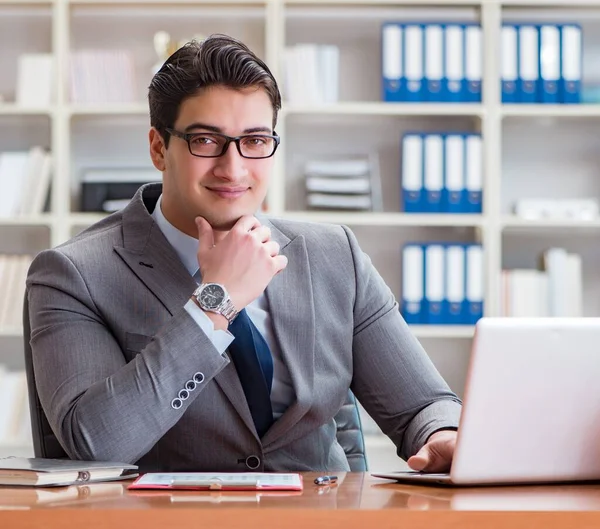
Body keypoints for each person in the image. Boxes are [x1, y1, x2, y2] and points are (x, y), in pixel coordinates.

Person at [26, 34, 461, 473]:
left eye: (254, 140)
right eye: (206, 140)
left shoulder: (334, 255)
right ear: (160, 148)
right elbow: (96, 445)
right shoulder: (74, 274)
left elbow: (424, 404)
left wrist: (441, 434)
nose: (233, 168)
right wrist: (216, 301)